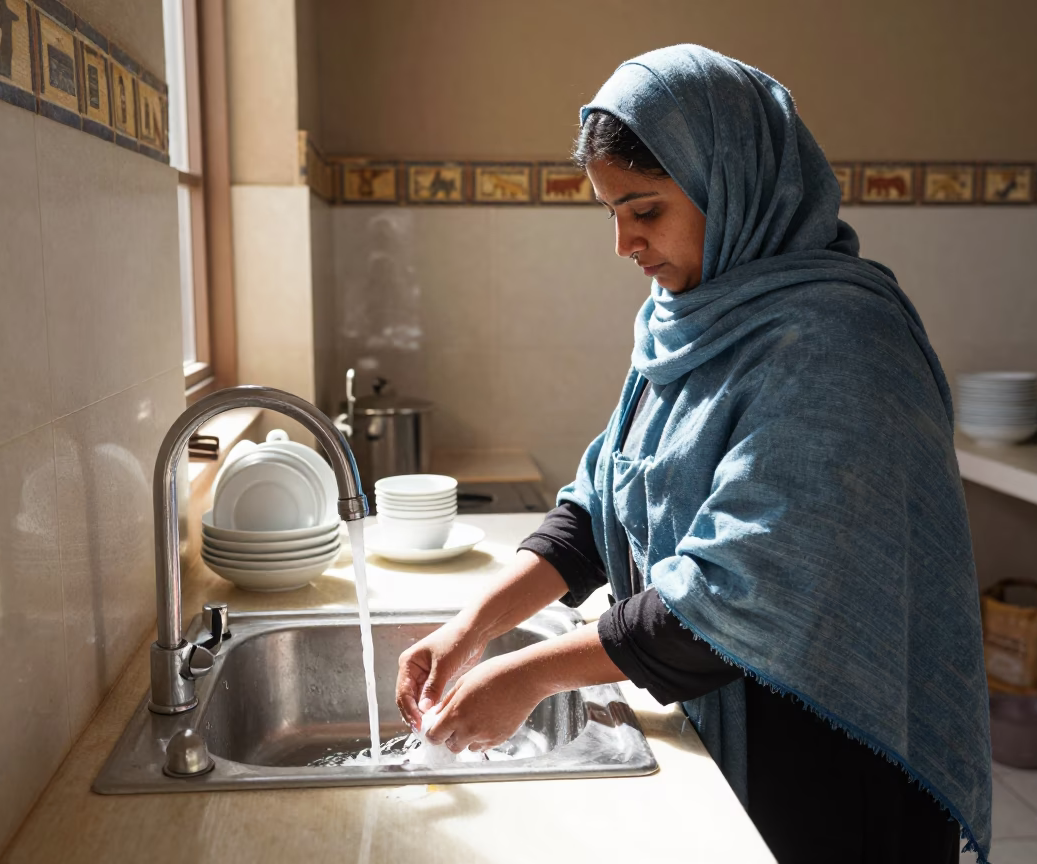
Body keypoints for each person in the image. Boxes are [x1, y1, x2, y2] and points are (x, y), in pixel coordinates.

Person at [395, 45, 992, 864]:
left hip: (828, 759)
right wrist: (472, 628)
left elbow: (732, 596)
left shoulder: (841, 346)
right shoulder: (690, 319)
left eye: (645, 212)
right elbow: (601, 505)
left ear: (734, 185)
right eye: (610, 214)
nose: (624, 245)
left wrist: (530, 673)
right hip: (728, 723)